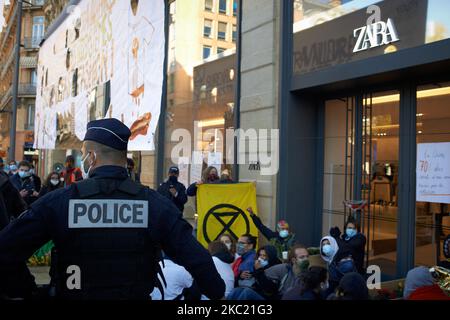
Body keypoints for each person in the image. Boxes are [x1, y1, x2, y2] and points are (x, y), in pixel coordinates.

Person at [0, 118, 225, 300]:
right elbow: (200, 262)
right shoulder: (155, 205)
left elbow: (6, 250)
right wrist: (210, 293)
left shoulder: (59, 202)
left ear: (91, 156)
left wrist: (28, 291)